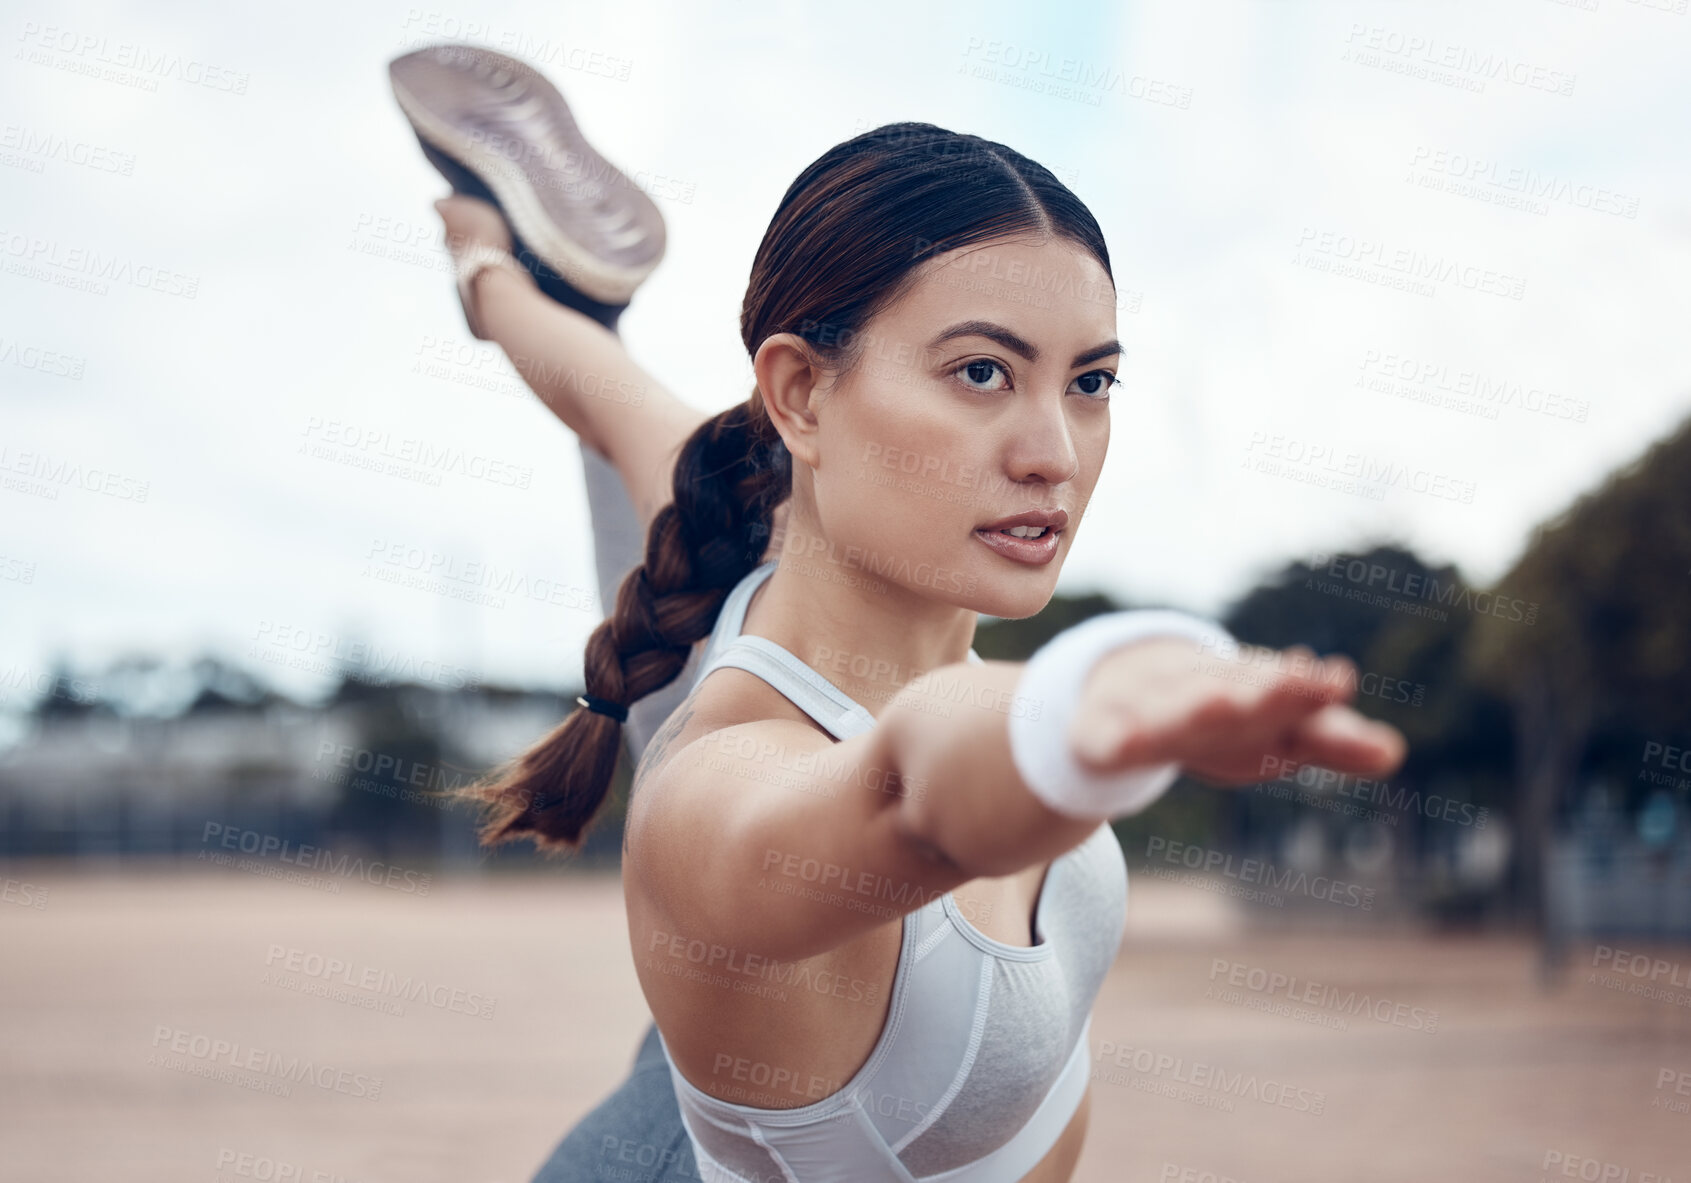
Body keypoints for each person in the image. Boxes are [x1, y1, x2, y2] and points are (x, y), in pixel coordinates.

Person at [391, 44, 1407, 1183]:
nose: (1053, 454)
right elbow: (911, 789)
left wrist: (489, 277)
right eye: (981, 373)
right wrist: (1079, 715)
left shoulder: (725, 494)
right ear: (799, 393)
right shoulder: (717, 792)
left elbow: (587, 379)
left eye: (1090, 381)